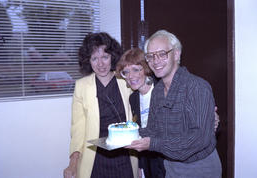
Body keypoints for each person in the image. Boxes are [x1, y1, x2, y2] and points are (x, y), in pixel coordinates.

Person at [126, 30, 222, 177]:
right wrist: (125, 136)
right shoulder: (158, 91)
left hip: (200, 168)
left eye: (162, 54)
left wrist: (153, 144)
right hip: (170, 166)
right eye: (150, 56)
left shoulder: (197, 87)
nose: (155, 60)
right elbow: (153, 129)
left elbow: (200, 138)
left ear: (176, 54)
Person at [63, 32, 138, 178]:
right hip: (95, 159)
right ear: (88, 61)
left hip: (125, 157)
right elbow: (78, 129)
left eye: (105, 57)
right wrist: (73, 163)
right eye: (94, 58)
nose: (100, 64)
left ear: (113, 57)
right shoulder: (81, 86)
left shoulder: (127, 81)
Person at [116, 48, 166, 178]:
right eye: (125, 72)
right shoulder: (133, 99)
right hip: (148, 161)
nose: (130, 76)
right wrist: (140, 167)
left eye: (136, 69)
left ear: (146, 69)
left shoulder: (163, 91)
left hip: (168, 160)